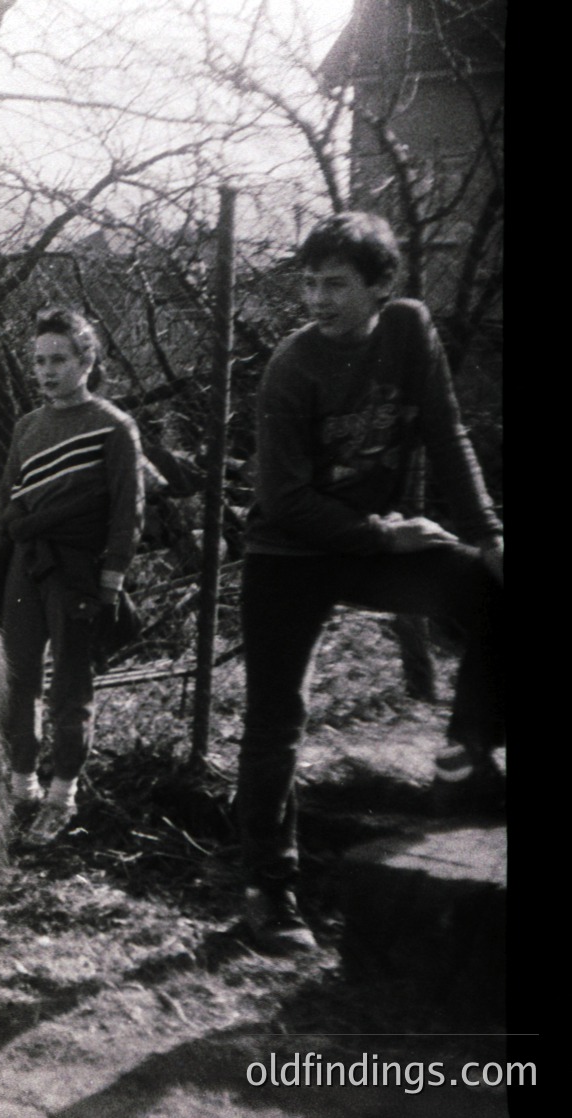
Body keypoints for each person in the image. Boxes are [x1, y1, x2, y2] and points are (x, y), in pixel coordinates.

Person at [234, 211, 504, 954]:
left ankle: (466, 756)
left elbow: (447, 434)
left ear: (383, 284)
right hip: (287, 556)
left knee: (492, 589)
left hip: (375, 543)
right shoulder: (291, 368)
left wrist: (488, 536)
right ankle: (269, 887)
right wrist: (385, 535)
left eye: (337, 285)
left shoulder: (411, 331)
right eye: (309, 283)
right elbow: (285, 499)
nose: (318, 299)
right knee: (274, 722)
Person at [0, 308, 143, 844]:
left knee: (71, 688)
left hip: (80, 573)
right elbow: (8, 506)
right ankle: (22, 788)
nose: (47, 371)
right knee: (18, 677)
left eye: (59, 360)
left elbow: (127, 513)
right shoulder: (28, 427)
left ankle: (61, 796)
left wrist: (110, 583)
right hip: (27, 569)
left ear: (86, 360)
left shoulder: (114, 427)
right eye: (39, 361)